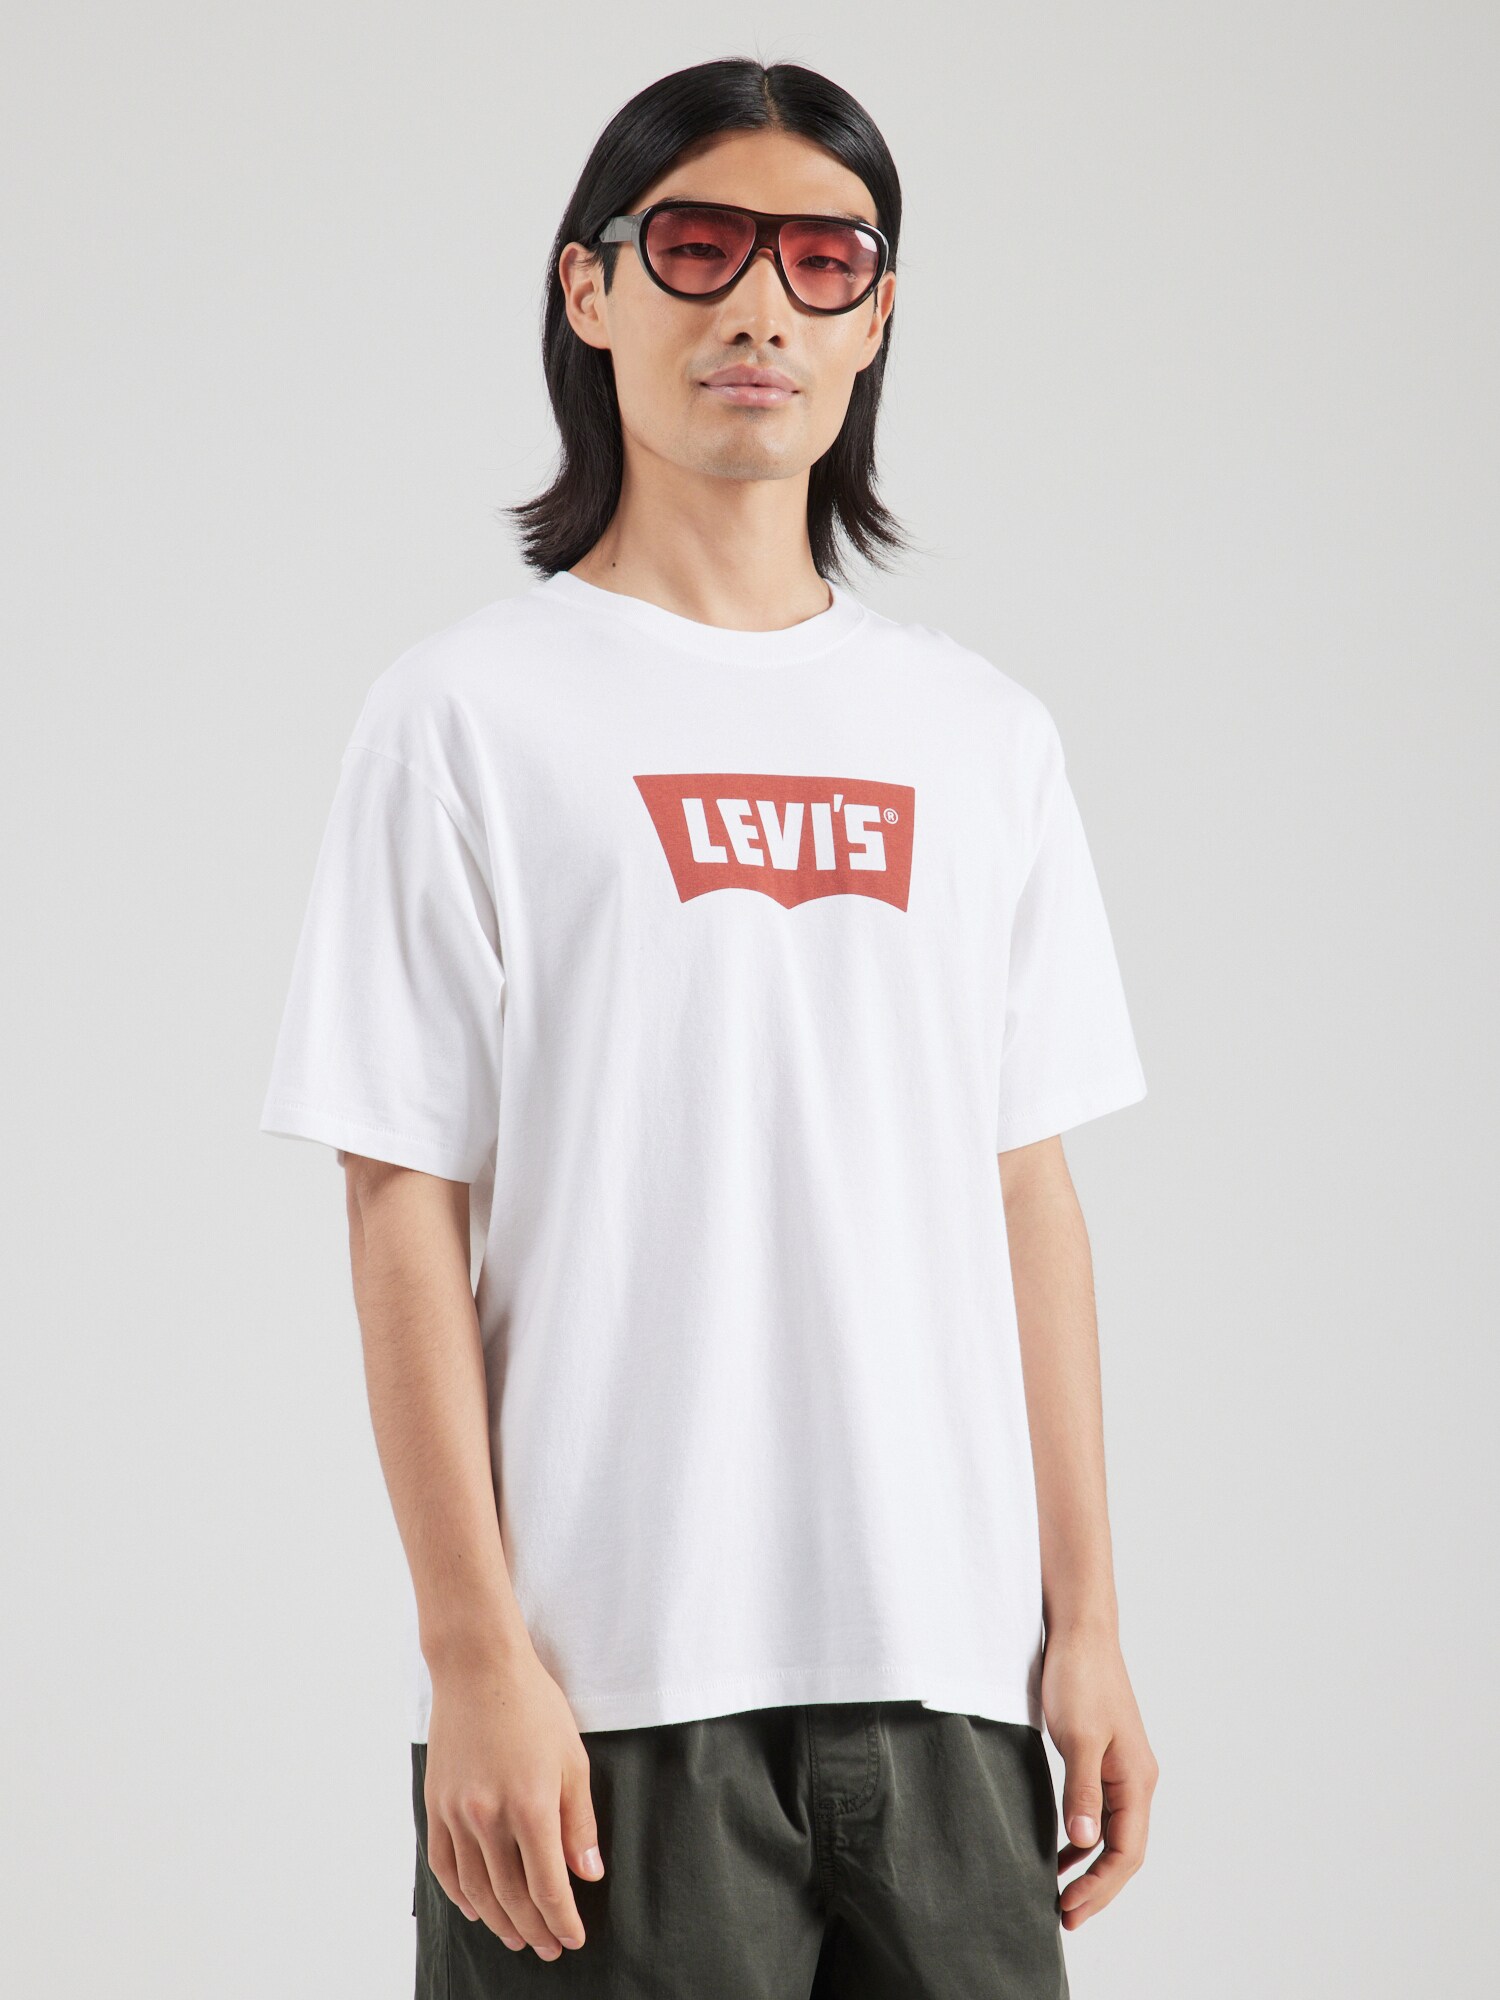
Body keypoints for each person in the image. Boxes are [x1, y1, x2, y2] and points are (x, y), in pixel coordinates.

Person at [259, 55, 1159, 1999]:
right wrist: (472, 1653)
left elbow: (1029, 1189)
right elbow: (400, 1200)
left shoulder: (983, 736)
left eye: (824, 260)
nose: (762, 303)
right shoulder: (466, 717)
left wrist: (1086, 1622)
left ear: (876, 320)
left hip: (952, 1686)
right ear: (590, 289)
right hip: (607, 1699)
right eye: (700, 245)